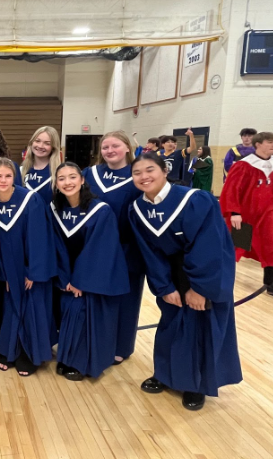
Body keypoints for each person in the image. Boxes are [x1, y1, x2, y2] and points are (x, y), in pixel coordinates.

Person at [129, 153, 242, 410]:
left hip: (201, 272)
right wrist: (164, 286)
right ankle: (166, 375)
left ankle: (196, 385)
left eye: (150, 170)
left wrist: (199, 288)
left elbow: (209, 246)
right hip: (169, 274)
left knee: (199, 327)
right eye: (137, 173)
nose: (144, 177)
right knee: (170, 324)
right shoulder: (137, 209)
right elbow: (149, 251)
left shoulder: (194, 200)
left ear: (164, 171)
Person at [51, 162, 130, 381]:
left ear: (82, 180)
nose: (68, 182)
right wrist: (64, 277)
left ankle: (84, 362)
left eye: (72, 177)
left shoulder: (100, 210)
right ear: (56, 184)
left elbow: (100, 248)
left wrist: (80, 280)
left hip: (95, 276)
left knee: (84, 309)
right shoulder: (56, 209)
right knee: (69, 308)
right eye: (62, 178)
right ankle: (67, 357)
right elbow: (55, 245)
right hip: (68, 276)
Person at [0, 158, 57, 377]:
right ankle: (8, 350)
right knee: (9, 308)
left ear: (15, 177)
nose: (3, 180)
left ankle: (29, 354)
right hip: (6, 270)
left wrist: (32, 272)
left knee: (31, 309)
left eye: (8, 175)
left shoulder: (30, 199)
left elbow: (39, 238)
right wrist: (4, 273)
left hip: (29, 270)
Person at [82, 131, 144, 364]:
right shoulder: (89, 174)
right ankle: (93, 340)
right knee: (95, 296)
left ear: (127, 147)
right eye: (105, 147)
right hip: (94, 247)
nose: (109, 151)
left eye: (115, 146)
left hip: (127, 247)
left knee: (126, 298)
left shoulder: (138, 174)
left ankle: (121, 346)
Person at [220, 132, 273, 295]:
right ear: (258, 144)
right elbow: (232, 190)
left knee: (271, 246)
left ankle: (271, 284)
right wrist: (234, 212)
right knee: (234, 248)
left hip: (269, 215)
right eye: (270, 142)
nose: (273, 145)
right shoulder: (243, 165)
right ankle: (219, 279)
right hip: (246, 217)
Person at [20, 126, 60, 205]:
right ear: (32, 143)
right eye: (37, 141)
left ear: (53, 147)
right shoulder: (21, 171)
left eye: (47, 143)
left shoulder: (59, 173)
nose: (40, 146)